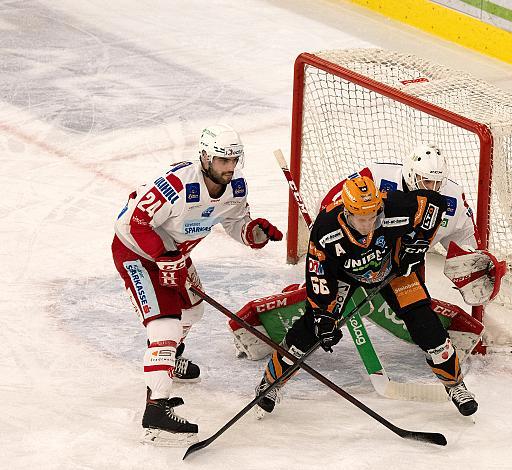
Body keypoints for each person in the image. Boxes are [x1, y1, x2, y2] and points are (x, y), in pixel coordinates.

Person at [112, 124, 283, 445]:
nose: (229, 168)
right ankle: (156, 406)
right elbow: (137, 222)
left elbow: (236, 223)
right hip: (136, 251)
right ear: (204, 157)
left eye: (234, 160)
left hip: (173, 253)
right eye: (222, 160)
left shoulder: (236, 187)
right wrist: (163, 257)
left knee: (192, 310)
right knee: (164, 324)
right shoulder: (175, 184)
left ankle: (170, 360)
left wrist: (254, 233)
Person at [253, 175, 478, 418]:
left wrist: (419, 245)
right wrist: (323, 316)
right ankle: (270, 383)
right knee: (311, 329)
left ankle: (456, 386)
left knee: (426, 325)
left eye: (374, 217)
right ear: (347, 212)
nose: (369, 224)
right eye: (361, 219)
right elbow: (318, 276)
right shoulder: (326, 229)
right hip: (343, 276)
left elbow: (435, 204)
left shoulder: (392, 205)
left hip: (393, 270)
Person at [319, 143, 477, 252]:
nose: (431, 189)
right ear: (410, 173)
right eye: (426, 181)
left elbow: (466, 240)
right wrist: (322, 226)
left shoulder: (454, 199)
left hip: (406, 265)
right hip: (360, 254)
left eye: (437, 182)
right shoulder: (377, 177)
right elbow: (333, 202)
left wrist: (474, 260)